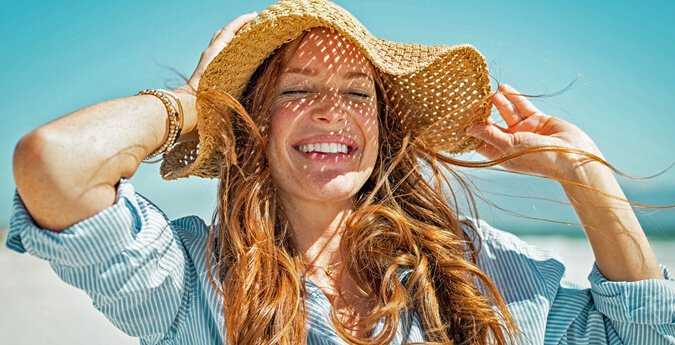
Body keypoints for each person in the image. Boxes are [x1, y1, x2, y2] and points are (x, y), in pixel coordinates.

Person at [7, 0, 674, 344]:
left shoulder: (472, 266)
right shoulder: (191, 279)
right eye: (297, 91)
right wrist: (196, 104)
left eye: (357, 93)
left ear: (380, 130)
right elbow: (55, 163)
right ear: (255, 123)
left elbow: (638, 334)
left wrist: (579, 170)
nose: (332, 113)